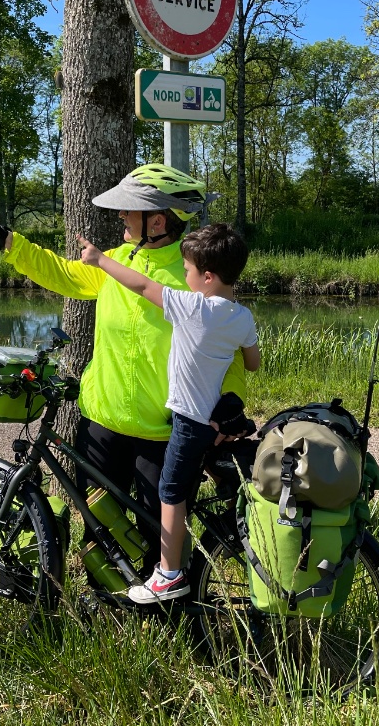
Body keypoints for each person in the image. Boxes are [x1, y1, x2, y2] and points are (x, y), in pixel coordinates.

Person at [0, 164, 253, 578]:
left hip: (163, 429)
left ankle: (170, 621)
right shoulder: (114, 264)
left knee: (162, 538)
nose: (120, 217)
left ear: (157, 220)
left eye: (127, 210)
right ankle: (111, 604)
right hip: (102, 421)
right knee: (99, 524)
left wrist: (230, 400)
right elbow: (60, 273)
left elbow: (230, 350)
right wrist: (5, 240)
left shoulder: (192, 279)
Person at [77, 223, 260, 603]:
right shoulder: (242, 317)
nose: (184, 277)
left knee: (170, 492)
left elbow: (142, 286)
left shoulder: (192, 307)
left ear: (206, 278)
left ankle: (169, 574)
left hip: (188, 423)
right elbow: (253, 362)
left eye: (188, 271)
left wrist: (99, 260)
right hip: (213, 418)